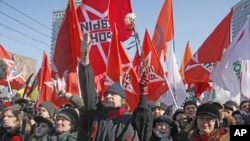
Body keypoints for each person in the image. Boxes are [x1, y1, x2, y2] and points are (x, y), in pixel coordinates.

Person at [78, 33, 139, 141]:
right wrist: (85, 58)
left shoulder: (128, 121)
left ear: (123, 101)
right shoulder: (96, 114)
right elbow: (87, 89)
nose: (108, 96)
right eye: (106, 94)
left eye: (113, 94)